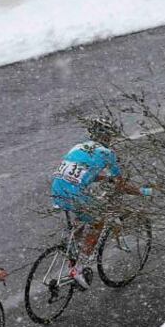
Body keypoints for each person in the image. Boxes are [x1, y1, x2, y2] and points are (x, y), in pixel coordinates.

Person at [51, 118, 151, 289]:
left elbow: (84, 172)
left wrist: (105, 178)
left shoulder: (78, 146)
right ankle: (78, 268)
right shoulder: (107, 153)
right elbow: (121, 186)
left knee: (83, 217)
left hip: (58, 190)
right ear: (106, 136)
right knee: (99, 221)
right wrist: (143, 192)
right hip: (75, 195)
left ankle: (72, 251)